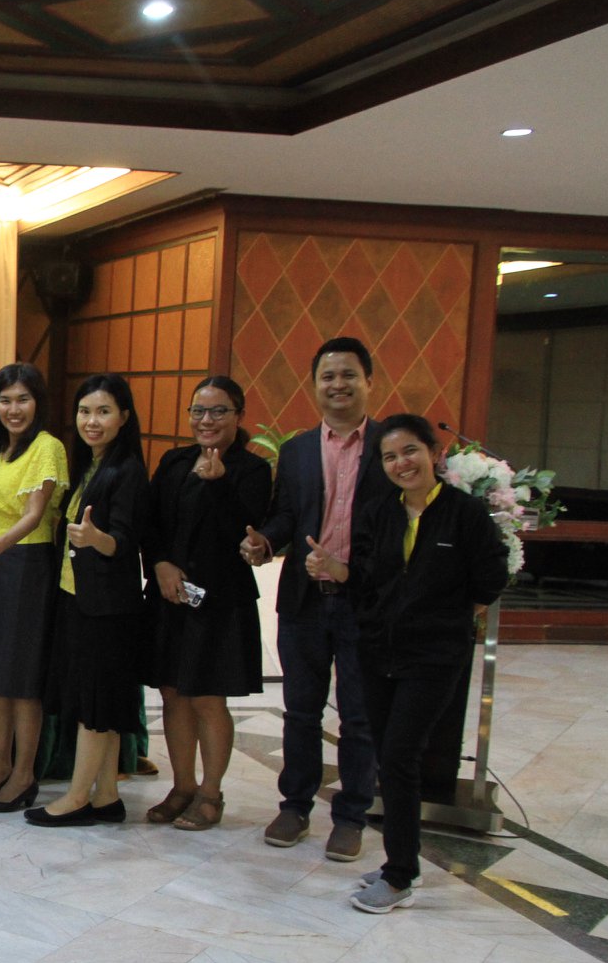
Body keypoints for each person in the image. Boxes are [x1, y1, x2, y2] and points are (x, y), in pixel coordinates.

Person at [318, 415, 507, 913]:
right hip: (378, 652)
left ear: (434, 454)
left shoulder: (465, 514)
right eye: (390, 457)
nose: (401, 463)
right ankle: (402, 862)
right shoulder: (380, 512)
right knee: (390, 757)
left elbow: (491, 577)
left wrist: (449, 615)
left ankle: (400, 875)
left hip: (434, 657)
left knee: (401, 756)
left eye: (410, 451)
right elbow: (365, 580)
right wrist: (336, 570)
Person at [241, 337, 388, 862]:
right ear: (315, 385)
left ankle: (350, 817)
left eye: (348, 375)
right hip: (304, 600)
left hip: (364, 602)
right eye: (328, 376)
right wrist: (265, 541)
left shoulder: (389, 446)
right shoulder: (299, 450)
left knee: (359, 716)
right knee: (301, 710)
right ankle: (295, 806)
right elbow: (286, 514)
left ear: (369, 382)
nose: (337, 385)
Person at [144, 376, 271, 831]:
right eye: (198, 411)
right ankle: (182, 787)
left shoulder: (252, 470)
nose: (206, 420)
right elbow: (150, 522)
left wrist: (219, 485)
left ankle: (211, 793)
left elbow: (245, 531)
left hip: (220, 600)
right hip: (169, 594)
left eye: (218, 411)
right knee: (172, 692)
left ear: (238, 415)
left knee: (207, 697)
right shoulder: (174, 461)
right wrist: (160, 563)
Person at [28, 373, 150, 827]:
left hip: (107, 608)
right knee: (100, 705)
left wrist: (98, 539)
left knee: (96, 707)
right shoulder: (91, 465)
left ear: (124, 417)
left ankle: (77, 798)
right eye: (84, 411)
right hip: (77, 599)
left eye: (103, 412)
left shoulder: (127, 471)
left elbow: (125, 540)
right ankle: (107, 797)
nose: (91, 421)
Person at [0, 363, 66, 814]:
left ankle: (24, 774)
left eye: (23, 399)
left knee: (22, 680)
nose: (13, 409)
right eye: (5, 400)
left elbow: (34, 515)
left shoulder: (48, 447)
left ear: (38, 403)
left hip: (29, 567)